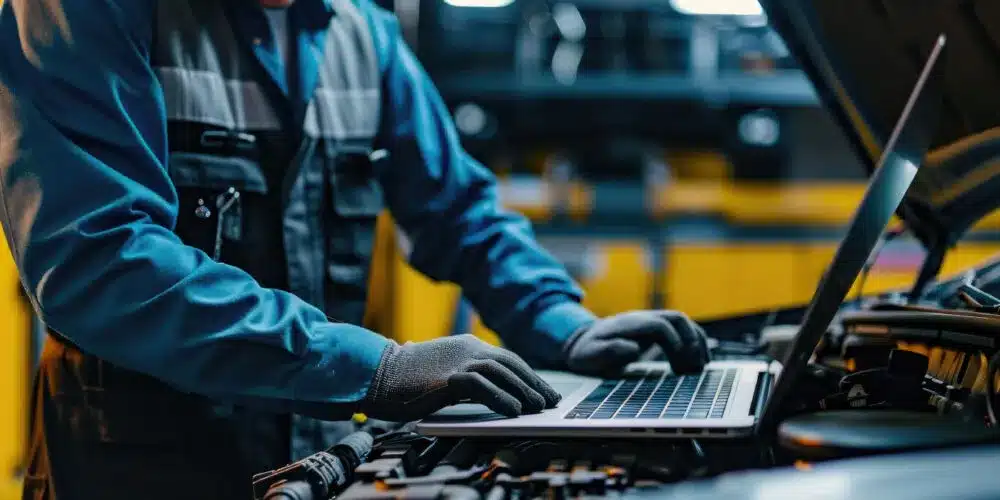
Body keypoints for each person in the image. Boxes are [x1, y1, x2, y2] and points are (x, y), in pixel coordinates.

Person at [0, 0, 710, 498]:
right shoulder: (83, 11)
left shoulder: (360, 34)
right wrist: (380, 367)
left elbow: (459, 211)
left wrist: (562, 322)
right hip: (130, 470)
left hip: (314, 460)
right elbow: (100, 261)